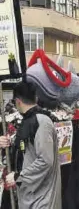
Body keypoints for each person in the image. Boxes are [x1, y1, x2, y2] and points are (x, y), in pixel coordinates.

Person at [5, 81, 61, 209]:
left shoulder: (41, 121)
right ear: (35, 98)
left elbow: (46, 160)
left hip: (42, 198)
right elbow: (27, 151)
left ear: (17, 101)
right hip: (31, 195)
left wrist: (19, 176)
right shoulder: (29, 120)